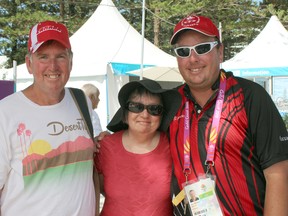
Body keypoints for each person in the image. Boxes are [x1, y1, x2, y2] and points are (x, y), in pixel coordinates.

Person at [169, 14, 288, 215]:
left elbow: (278, 173)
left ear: (220, 51)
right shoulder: (169, 102)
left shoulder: (249, 96)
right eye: (183, 51)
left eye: (203, 48)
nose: (193, 58)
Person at [0, 21, 97, 215]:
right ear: (29, 63)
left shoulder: (81, 101)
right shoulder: (5, 113)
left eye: (60, 56)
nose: (53, 66)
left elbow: (91, 169)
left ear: (71, 62)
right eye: (43, 57)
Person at [95, 79, 181, 216]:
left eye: (154, 109)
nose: (145, 115)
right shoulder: (105, 146)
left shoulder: (174, 145)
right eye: (136, 107)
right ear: (125, 113)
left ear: (162, 115)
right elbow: (93, 188)